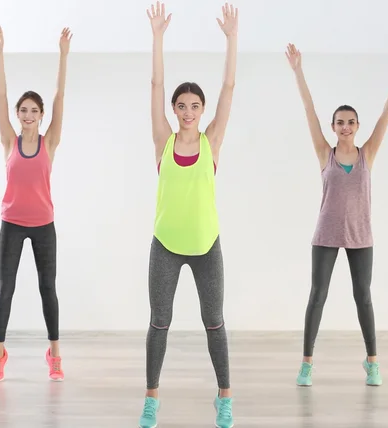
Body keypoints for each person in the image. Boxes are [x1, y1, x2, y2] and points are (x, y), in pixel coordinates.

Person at [285, 43, 388, 387]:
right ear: (333, 127)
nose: (345, 127)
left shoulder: (367, 154)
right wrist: (298, 71)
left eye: (350, 122)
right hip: (326, 234)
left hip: (361, 236)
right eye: (340, 122)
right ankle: (306, 364)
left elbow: (387, 113)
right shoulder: (323, 153)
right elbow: (308, 110)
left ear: (357, 126)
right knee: (318, 295)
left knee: (363, 297)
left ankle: (372, 362)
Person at [138, 2, 238, 427]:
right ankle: (151, 400)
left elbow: (229, 88)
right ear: (176, 111)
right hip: (165, 246)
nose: (189, 110)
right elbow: (157, 84)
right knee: (159, 323)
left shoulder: (212, 143)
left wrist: (232, 40)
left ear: (201, 110)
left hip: (205, 246)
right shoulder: (163, 140)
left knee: (214, 324)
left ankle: (225, 398)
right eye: (182, 105)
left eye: (195, 105)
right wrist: (158, 37)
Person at [0, 25, 72, 382]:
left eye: (32, 111)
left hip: (43, 225)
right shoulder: (9, 140)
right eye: (22, 110)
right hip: (12, 222)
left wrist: (63, 56)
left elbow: (59, 98)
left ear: (40, 115)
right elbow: (1, 94)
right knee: (5, 288)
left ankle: (54, 353)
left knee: (47, 288)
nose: (26, 115)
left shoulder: (49, 142)